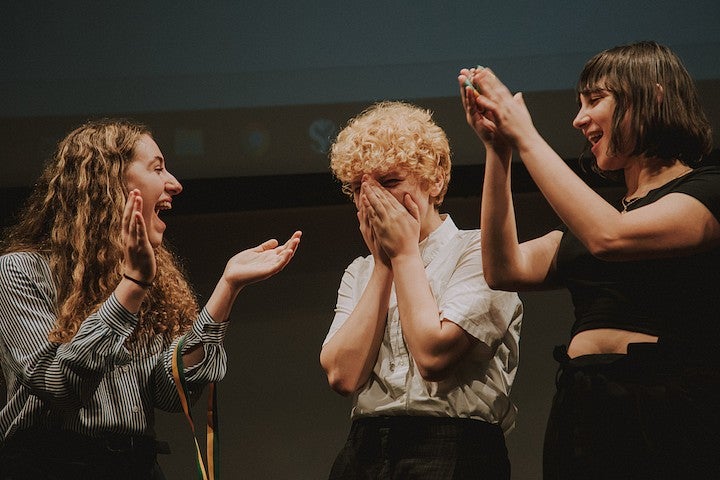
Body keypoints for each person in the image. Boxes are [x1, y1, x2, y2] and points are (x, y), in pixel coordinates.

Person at [459, 41, 720, 479]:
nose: (579, 119)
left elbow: (610, 238)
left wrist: (526, 136)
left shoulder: (707, 190)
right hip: (582, 410)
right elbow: (504, 268)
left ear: (652, 96)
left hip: (666, 408)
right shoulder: (606, 213)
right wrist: (498, 151)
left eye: (594, 101)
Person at [0, 119, 301, 480]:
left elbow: (170, 393)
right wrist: (132, 285)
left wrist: (228, 287)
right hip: (50, 465)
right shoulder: (21, 270)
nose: (174, 183)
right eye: (157, 168)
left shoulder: (150, 282)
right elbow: (58, 384)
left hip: (136, 466)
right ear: (110, 182)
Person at [320, 101, 523, 479]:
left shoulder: (479, 251)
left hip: (453, 447)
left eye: (390, 182)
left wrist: (404, 254)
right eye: (357, 188)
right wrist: (383, 265)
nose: (372, 200)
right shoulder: (360, 271)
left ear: (435, 180)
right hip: (364, 449)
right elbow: (342, 376)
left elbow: (434, 356)